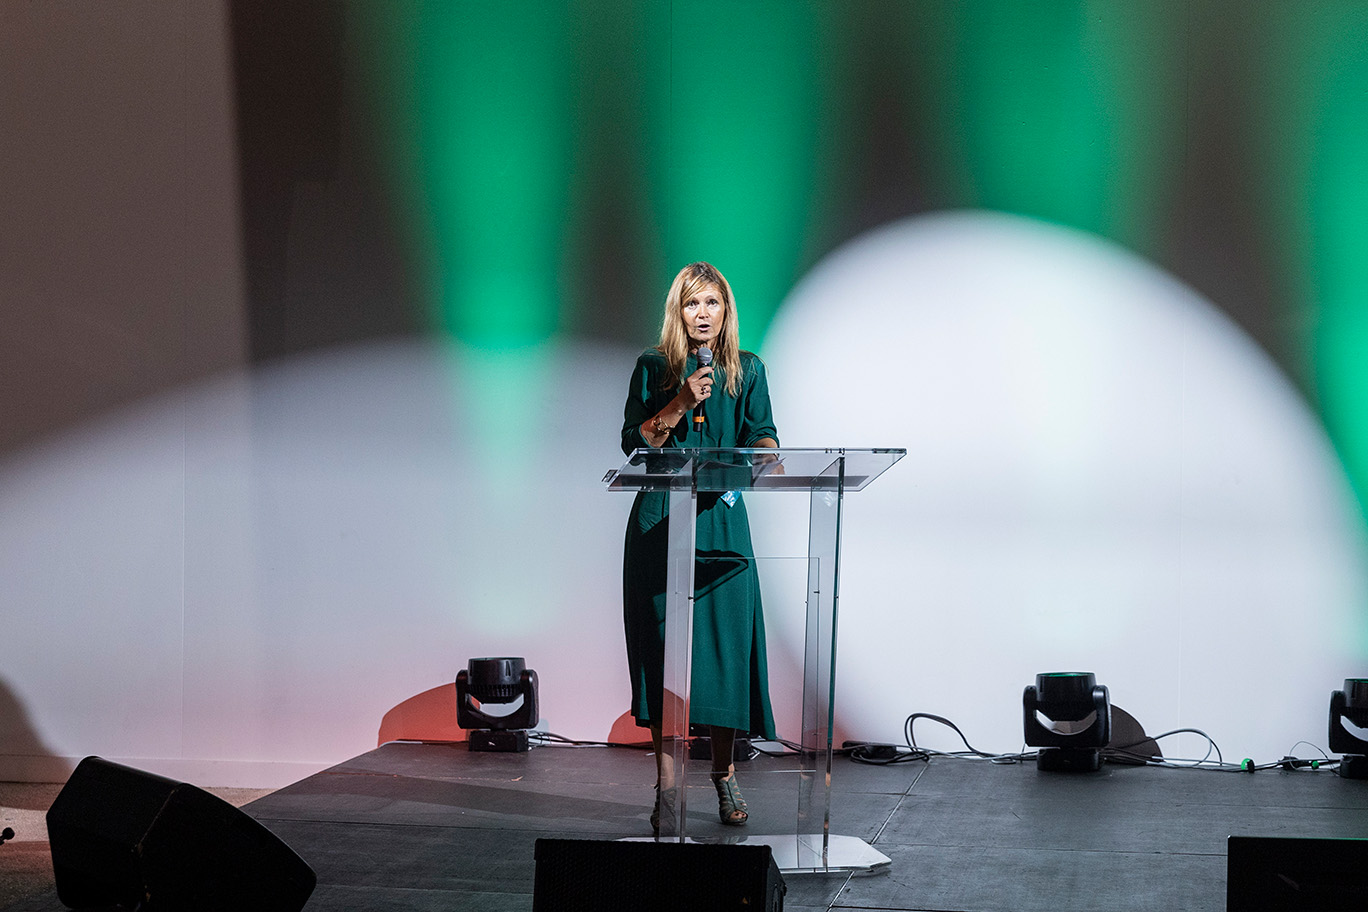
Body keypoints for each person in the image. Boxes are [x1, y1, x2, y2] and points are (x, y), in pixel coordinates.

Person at [620, 261, 779, 833]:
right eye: (693, 304)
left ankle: (723, 773)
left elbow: (762, 430)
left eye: (713, 304)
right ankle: (666, 788)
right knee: (667, 659)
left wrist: (764, 451)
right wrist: (681, 401)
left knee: (724, 653)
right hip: (662, 520)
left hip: (724, 523)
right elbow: (634, 440)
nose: (703, 315)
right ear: (678, 312)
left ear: (726, 311)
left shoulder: (748, 370)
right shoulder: (653, 367)